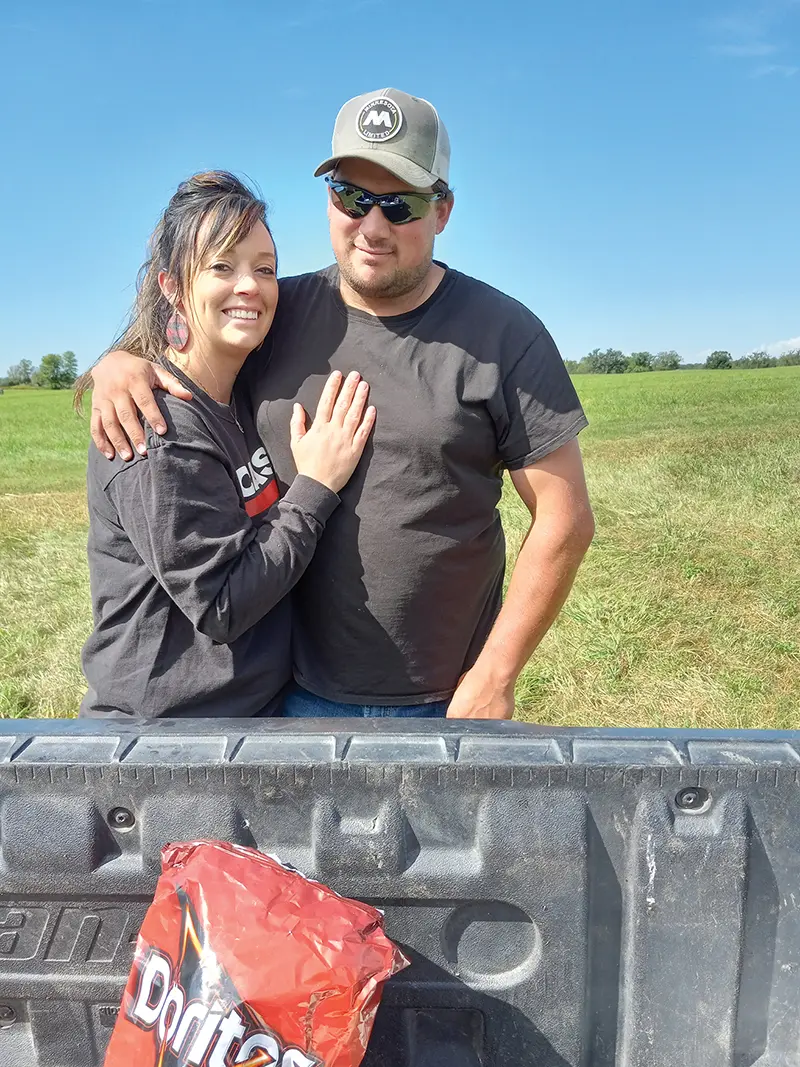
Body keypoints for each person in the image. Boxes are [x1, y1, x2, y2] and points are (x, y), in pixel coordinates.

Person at [88, 89, 595, 721]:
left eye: (400, 204)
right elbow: (196, 323)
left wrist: (495, 674)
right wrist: (119, 364)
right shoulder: (279, 309)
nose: (373, 226)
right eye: (353, 198)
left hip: (442, 697)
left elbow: (564, 517)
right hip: (285, 693)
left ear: (442, 211)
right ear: (329, 201)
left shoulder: (504, 334)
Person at [76, 171, 374, 719]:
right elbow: (222, 604)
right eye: (222, 266)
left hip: (247, 720)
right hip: (166, 742)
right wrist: (315, 487)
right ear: (171, 286)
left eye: (265, 269)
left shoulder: (238, 396)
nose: (249, 286)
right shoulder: (155, 428)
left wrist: (116, 359)